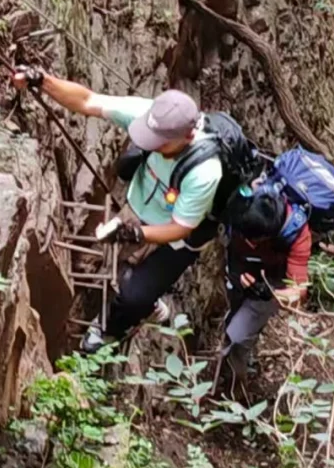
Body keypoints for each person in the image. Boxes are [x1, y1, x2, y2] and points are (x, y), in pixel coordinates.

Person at [14, 72, 224, 352]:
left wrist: (133, 233)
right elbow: (88, 100)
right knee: (105, 260)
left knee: (133, 298)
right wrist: (41, 80)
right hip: (138, 207)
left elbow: (180, 227)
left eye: (160, 142)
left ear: (187, 136)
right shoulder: (149, 115)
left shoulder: (204, 171)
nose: (152, 144)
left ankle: (109, 330)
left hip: (178, 240)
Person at [218, 183, 311, 384]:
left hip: (271, 282)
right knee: (231, 312)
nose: (250, 243)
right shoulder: (242, 200)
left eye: (255, 240)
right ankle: (229, 363)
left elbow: (300, 290)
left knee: (237, 336)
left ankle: (234, 385)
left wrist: (270, 293)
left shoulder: (296, 233)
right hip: (238, 266)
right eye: (246, 237)